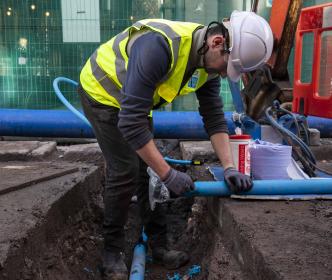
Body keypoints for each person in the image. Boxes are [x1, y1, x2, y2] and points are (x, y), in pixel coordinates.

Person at [78, 10, 273, 280]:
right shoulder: (158, 46)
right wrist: (168, 174)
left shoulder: (208, 61)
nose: (222, 72)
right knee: (124, 170)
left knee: (146, 170)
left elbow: (214, 119)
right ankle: (111, 252)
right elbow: (130, 123)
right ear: (217, 42)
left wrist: (229, 167)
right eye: (226, 66)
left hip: (134, 103)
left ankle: (158, 246)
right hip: (101, 93)